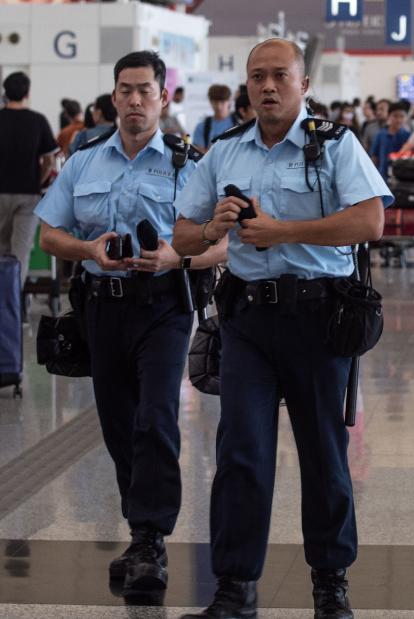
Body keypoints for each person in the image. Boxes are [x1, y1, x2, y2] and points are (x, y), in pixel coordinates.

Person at [173, 38, 392, 619]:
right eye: (257, 77)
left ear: (304, 83)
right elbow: (181, 235)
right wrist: (210, 228)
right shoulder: (222, 153)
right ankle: (235, 584)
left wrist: (285, 231)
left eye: (279, 76)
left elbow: (370, 219)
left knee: (324, 451)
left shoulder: (335, 144)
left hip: (319, 317)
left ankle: (330, 580)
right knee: (241, 451)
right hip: (246, 320)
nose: (267, 87)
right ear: (246, 85)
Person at [36, 50, 225, 594]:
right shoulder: (86, 157)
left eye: (145, 90)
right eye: (126, 90)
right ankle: (141, 531)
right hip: (100, 305)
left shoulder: (190, 162)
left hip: (164, 305)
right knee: (119, 424)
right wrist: (88, 247)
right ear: (114, 97)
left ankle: (150, 538)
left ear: (163, 98)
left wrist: (176, 258)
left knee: (156, 418)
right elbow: (50, 233)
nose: (135, 100)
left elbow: (224, 246)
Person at [0, 72, 58, 283]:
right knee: (20, 253)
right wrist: (39, 180)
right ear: (28, 92)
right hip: (28, 193)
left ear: (5, 93)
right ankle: (12, 304)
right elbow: (50, 160)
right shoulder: (38, 120)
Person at [368, 101, 411, 181]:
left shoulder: (408, 136)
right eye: (395, 116)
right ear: (389, 116)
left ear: (406, 118)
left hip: (402, 178)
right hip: (382, 177)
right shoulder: (381, 135)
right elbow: (374, 157)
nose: (398, 120)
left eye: (402, 116)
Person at [191, 84, 234, 151]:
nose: (219, 106)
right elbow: (199, 154)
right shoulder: (202, 127)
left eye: (222, 102)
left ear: (229, 101)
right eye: (215, 102)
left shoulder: (239, 123)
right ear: (210, 101)